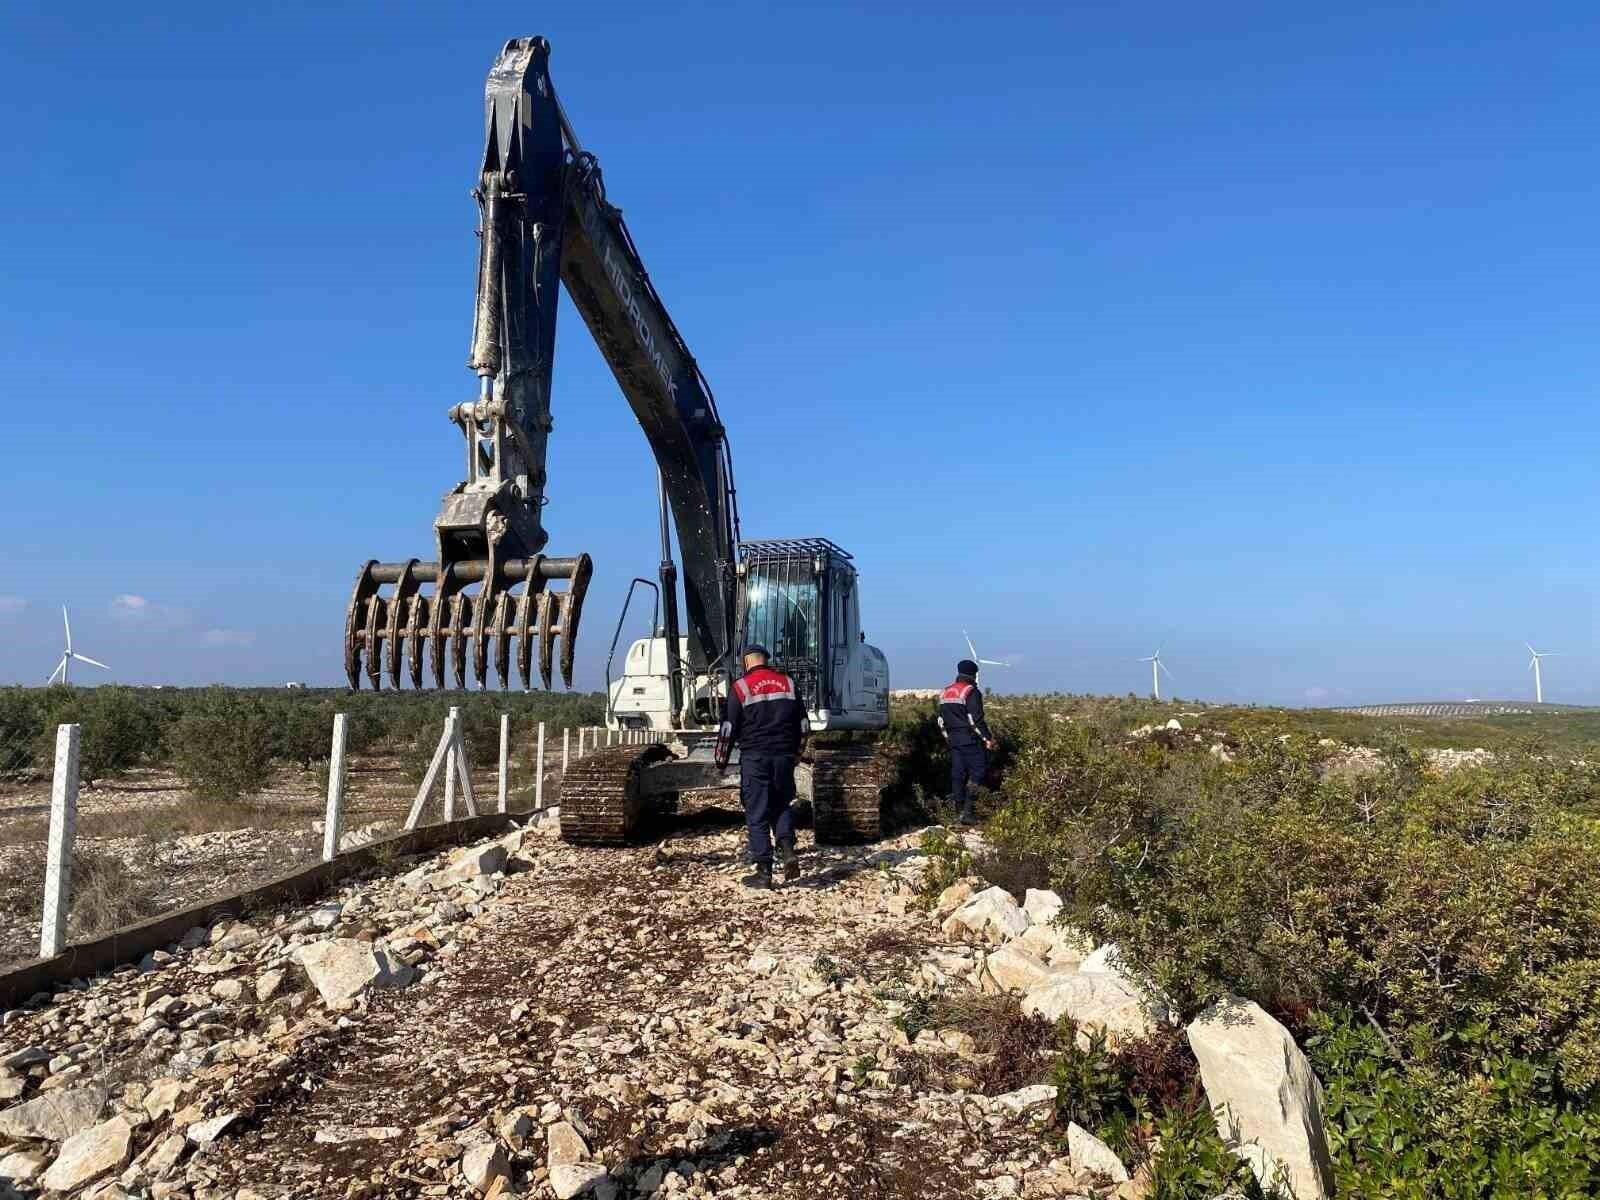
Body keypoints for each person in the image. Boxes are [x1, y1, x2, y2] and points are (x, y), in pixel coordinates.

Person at [715, 645, 810, 889]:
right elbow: (804, 725)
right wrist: (797, 754)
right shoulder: (788, 684)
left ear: (746, 662)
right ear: (766, 660)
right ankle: (788, 850)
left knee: (757, 812)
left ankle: (764, 872)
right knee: (782, 803)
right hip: (783, 757)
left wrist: (720, 763)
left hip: (755, 757)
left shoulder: (740, 687)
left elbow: (728, 731)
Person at [938, 658, 995, 825]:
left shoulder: (946, 692)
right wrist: (987, 738)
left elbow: (940, 720)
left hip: (954, 741)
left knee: (957, 775)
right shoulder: (971, 692)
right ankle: (969, 813)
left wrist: (948, 739)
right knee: (978, 773)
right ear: (974, 674)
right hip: (970, 740)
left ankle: (958, 812)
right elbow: (975, 720)